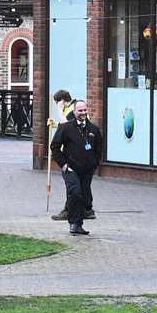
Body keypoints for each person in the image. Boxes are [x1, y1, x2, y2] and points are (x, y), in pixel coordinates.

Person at [50, 99, 102, 236]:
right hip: (71, 169)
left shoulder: (94, 130)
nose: (83, 113)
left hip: (87, 170)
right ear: (74, 112)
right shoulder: (66, 128)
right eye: (80, 110)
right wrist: (64, 164)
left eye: (85, 110)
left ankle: (80, 221)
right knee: (75, 193)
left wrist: (94, 164)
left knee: (84, 197)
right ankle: (74, 224)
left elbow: (99, 149)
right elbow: (54, 146)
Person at [49, 89, 94, 221]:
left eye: (58, 102)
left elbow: (68, 126)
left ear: (62, 101)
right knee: (82, 184)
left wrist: (59, 110)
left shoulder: (73, 110)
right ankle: (87, 209)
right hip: (82, 152)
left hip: (73, 154)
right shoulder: (73, 110)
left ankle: (69, 210)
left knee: (72, 185)